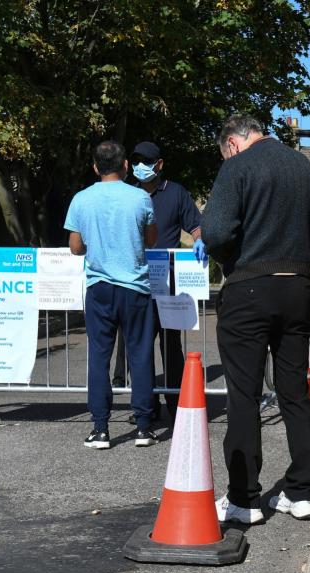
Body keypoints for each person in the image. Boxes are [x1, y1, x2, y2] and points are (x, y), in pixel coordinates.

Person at [202, 114, 310, 524]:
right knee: (294, 390)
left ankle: (244, 498)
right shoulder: (304, 169)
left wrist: (228, 260)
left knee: (244, 395)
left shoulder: (236, 167)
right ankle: (301, 493)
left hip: (248, 288)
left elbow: (216, 232)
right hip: (296, 286)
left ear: (233, 143)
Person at [65, 140, 160, 449]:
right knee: (140, 355)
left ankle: (101, 428)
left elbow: (76, 247)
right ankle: (144, 427)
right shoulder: (140, 198)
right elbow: (152, 240)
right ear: (126, 166)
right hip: (135, 287)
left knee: (99, 356)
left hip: (99, 287)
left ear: (95, 167)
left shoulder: (81, 199)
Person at [116, 141, 206, 425]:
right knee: (139, 346)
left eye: (148, 161)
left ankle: (177, 402)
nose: (142, 166)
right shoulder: (127, 195)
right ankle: (146, 406)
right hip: (135, 279)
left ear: (160, 164)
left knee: (171, 345)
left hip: (169, 283)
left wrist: (200, 239)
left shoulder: (176, 193)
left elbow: (195, 224)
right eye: (137, 161)